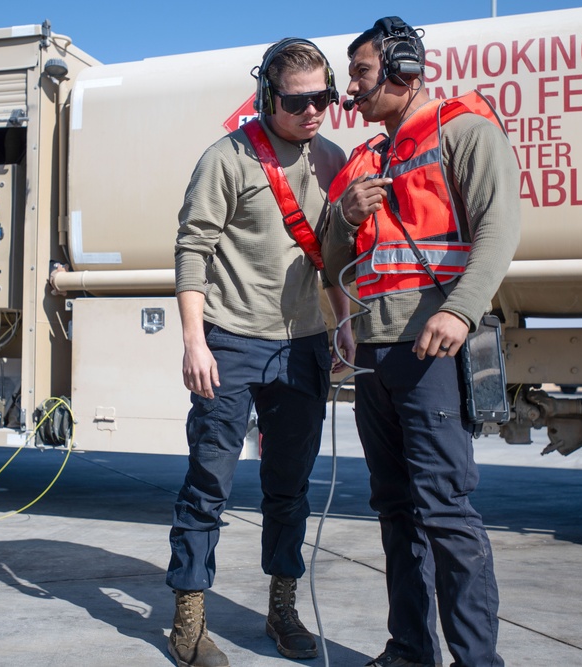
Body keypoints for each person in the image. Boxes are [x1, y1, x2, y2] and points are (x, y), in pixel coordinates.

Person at [321, 17, 520, 667]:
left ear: (404, 67)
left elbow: (499, 228)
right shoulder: (366, 161)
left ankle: (476, 660)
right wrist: (346, 219)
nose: (349, 90)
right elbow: (331, 260)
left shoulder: (465, 130)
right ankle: (409, 650)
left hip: (432, 346)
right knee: (396, 511)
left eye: (361, 73)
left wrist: (460, 313)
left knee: (444, 512)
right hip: (376, 355)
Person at [166, 38, 354, 667]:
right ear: (269, 96)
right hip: (230, 341)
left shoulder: (332, 159)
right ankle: (188, 619)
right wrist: (194, 340)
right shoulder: (228, 158)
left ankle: (281, 608)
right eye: (298, 101)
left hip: (303, 347)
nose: (313, 111)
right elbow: (193, 248)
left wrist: (343, 320)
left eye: (323, 97)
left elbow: (330, 256)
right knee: (209, 484)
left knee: (289, 489)